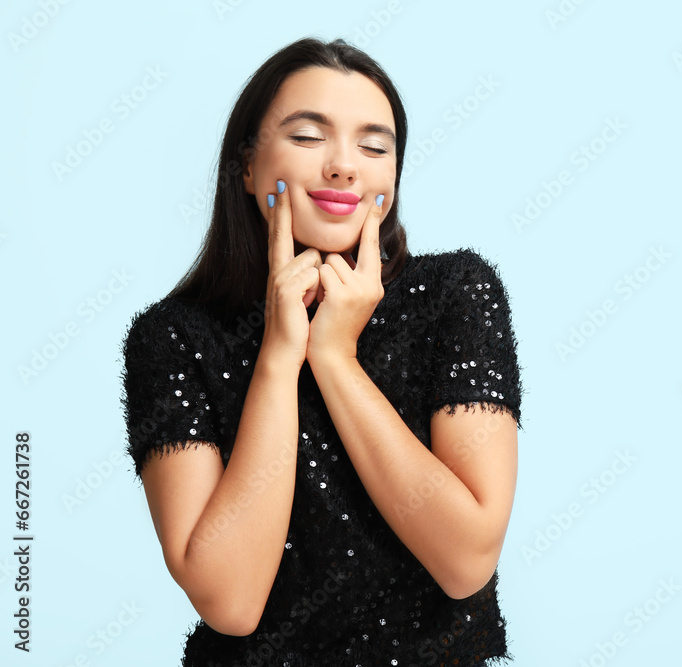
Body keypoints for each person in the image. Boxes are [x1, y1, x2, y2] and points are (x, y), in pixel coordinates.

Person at [119, 37, 524, 667]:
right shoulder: (172, 337)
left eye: (374, 145)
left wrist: (336, 358)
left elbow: (466, 561)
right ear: (248, 165)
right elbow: (230, 601)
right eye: (308, 137)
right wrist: (281, 356)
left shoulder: (455, 295)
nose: (344, 167)